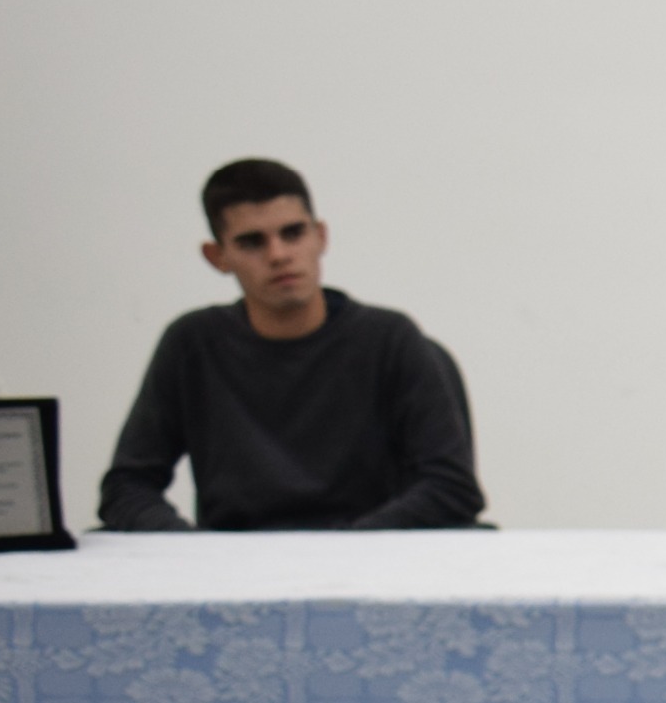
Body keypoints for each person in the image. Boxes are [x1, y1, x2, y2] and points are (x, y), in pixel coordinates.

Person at [97, 159, 486, 533]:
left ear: (321, 236)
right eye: (252, 242)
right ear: (217, 257)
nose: (279, 255)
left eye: (293, 233)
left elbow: (452, 487)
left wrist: (342, 551)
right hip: (234, 566)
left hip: (367, 561)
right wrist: (194, 553)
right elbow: (126, 488)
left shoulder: (389, 338)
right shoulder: (192, 344)